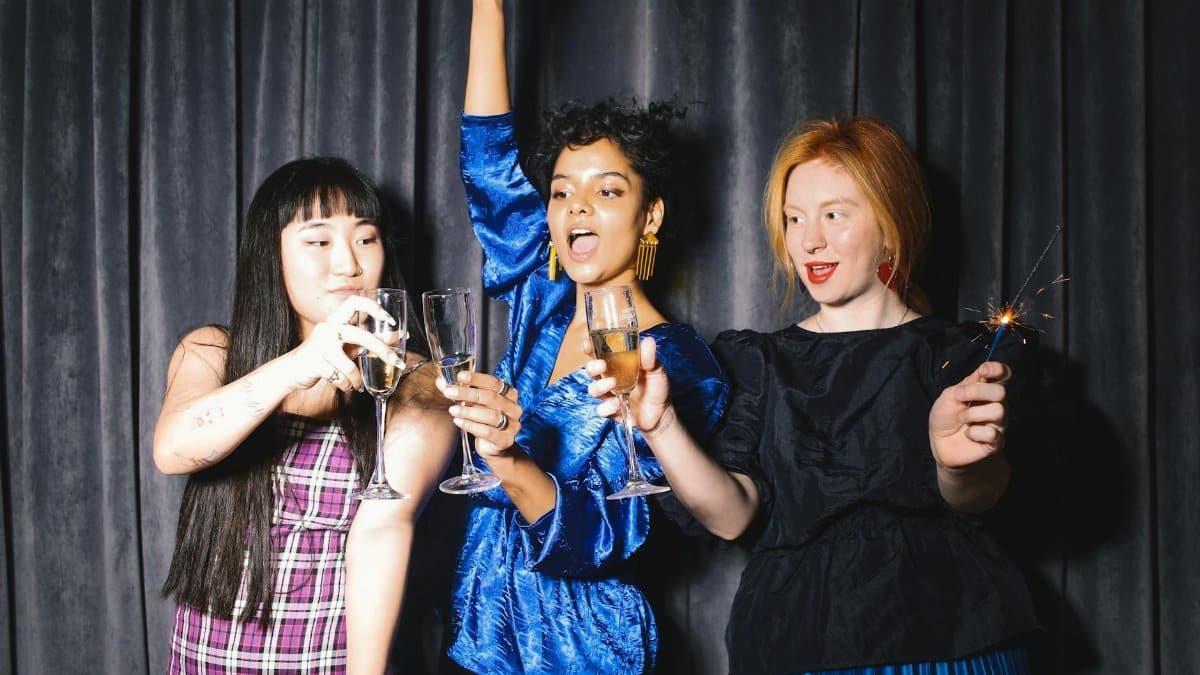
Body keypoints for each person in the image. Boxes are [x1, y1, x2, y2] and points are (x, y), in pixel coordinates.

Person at [589, 117, 1038, 673]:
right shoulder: (756, 361)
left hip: (947, 641)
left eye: (833, 215)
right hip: (793, 641)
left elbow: (982, 496)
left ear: (891, 221)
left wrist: (956, 466)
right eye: (794, 218)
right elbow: (731, 518)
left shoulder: (959, 354)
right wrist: (661, 428)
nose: (809, 240)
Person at [428, 1, 728, 672]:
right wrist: (488, 8)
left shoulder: (679, 364)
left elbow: (607, 536)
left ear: (651, 215)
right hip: (479, 628)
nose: (578, 208)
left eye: (608, 191)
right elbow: (487, 165)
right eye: (562, 193)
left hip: (584, 645)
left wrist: (507, 460)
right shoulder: (544, 294)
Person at [154, 157, 457, 674]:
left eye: (366, 238)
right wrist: (299, 366)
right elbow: (173, 448)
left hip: (328, 655)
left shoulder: (416, 384)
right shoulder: (210, 353)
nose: (349, 264)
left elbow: (383, 537)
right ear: (270, 254)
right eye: (318, 241)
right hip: (208, 654)